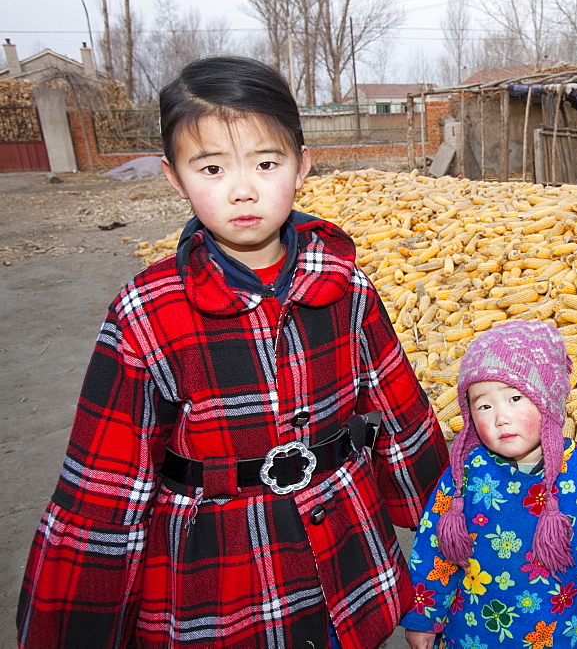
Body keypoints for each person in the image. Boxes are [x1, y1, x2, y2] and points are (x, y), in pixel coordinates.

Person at [16, 56, 449, 649]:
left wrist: (448, 547)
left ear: (302, 167)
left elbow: (403, 420)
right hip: (222, 571)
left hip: (343, 554)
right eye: (212, 167)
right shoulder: (148, 313)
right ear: (174, 176)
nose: (243, 190)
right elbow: (106, 489)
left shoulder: (346, 287)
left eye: (266, 163)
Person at [400, 320, 577, 649]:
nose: (500, 417)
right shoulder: (465, 476)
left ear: (548, 399)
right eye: (484, 405)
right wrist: (424, 616)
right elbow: (435, 550)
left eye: (515, 398)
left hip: (564, 634)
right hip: (475, 633)